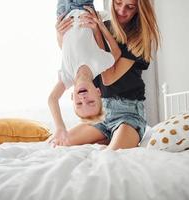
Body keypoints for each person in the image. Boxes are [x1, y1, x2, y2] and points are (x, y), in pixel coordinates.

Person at [50, 0, 160, 149]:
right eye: (118, 3)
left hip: (127, 113)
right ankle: (104, 137)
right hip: (101, 112)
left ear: (139, 10)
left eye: (130, 7)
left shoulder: (138, 38)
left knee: (112, 155)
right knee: (60, 143)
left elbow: (107, 78)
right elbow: (72, 51)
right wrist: (60, 33)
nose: (122, 10)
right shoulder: (103, 22)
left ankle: (112, 138)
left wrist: (98, 32)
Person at [48, 0, 121, 146]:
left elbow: (52, 99)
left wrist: (60, 127)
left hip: (63, 13)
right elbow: (116, 53)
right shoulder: (99, 64)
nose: (83, 98)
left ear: (72, 97)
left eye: (79, 104)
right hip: (82, 8)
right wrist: (100, 25)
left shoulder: (67, 77)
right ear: (98, 92)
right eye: (90, 102)